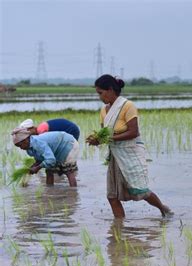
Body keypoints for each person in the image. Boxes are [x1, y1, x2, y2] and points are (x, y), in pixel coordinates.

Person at [86, 74, 172, 218]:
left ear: (111, 90)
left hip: (129, 153)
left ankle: (163, 209)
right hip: (115, 156)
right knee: (112, 196)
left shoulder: (127, 106)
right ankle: (120, 229)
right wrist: (96, 139)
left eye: (101, 93)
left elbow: (133, 132)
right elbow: (104, 134)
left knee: (141, 191)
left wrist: (108, 138)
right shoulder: (103, 110)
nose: (100, 97)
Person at [11, 127, 79, 187]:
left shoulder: (38, 142)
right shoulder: (28, 149)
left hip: (68, 143)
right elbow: (40, 159)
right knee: (49, 170)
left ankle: (73, 193)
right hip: (56, 149)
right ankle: (49, 191)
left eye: (20, 145)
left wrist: (37, 168)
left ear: (25, 140)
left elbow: (51, 160)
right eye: (18, 146)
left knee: (68, 170)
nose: (20, 148)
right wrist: (34, 166)